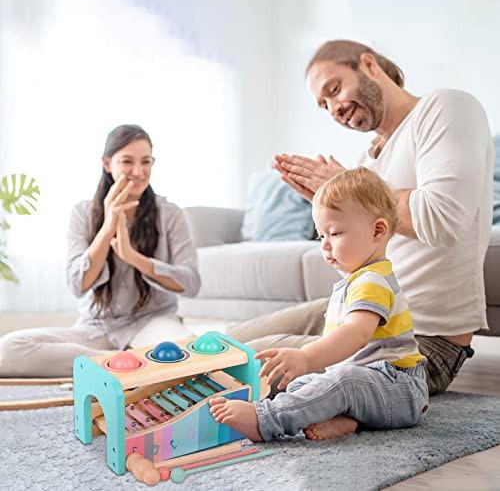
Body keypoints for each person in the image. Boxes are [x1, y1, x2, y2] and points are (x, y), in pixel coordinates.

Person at [227, 39, 494, 396]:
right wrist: (335, 224)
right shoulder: (368, 161)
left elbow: (443, 220)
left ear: (368, 65)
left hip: (416, 345)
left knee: (245, 360)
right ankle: (138, 372)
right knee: (225, 341)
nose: (333, 109)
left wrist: (351, 195)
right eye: (324, 105)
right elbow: (362, 266)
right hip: (361, 310)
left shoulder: (445, 108)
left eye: (334, 90)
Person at [210, 167, 429, 442]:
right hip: (371, 385)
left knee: (341, 382)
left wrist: (306, 357)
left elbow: (356, 334)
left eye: (335, 234)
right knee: (306, 385)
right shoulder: (355, 280)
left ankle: (265, 420)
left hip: (400, 388)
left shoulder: (373, 281)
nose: (325, 246)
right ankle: (346, 418)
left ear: (378, 230)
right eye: (320, 236)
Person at [0, 124, 201, 377]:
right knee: (9, 349)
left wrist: (133, 258)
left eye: (146, 162)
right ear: (107, 163)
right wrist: (107, 228)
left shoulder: (170, 214)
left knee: (193, 358)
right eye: (127, 161)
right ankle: (126, 364)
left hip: (151, 323)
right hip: (95, 330)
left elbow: (191, 283)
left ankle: (121, 367)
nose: (138, 172)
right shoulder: (82, 214)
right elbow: (77, 284)